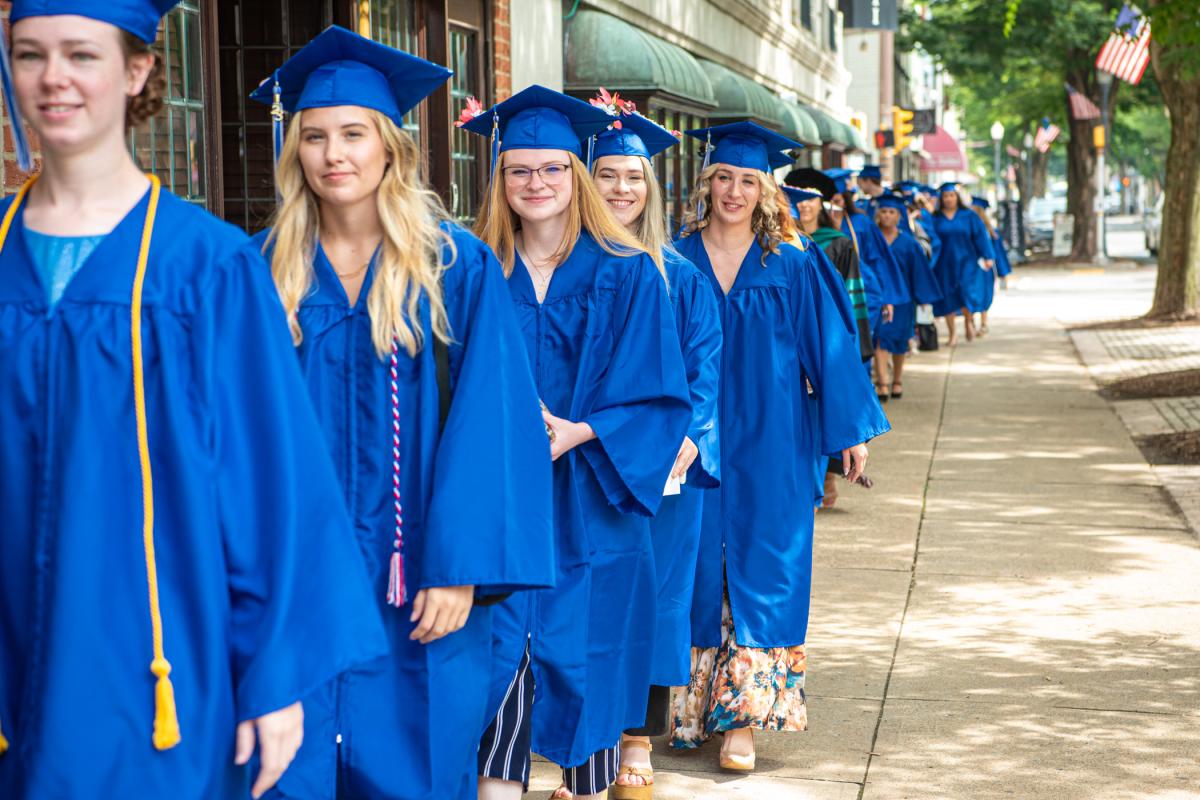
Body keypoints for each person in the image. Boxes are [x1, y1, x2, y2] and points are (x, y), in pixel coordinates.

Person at [0, 5, 389, 799]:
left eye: (81, 53)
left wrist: (276, 673)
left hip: (156, 658)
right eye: (29, 54)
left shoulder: (204, 266)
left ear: (137, 71)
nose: (53, 77)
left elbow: (270, 484)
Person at [248, 27, 556, 800]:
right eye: (313, 136)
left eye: (354, 133)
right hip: (298, 577)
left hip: (416, 574)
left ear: (390, 146)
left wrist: (461, 569)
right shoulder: (259, 270)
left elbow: (493, 424)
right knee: (287, 771)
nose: (333, 154)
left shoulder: (454, 266)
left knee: (413, 765)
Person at [461, 85, 692, 800]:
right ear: (499, 180)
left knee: (586, 671)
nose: (537, 184)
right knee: (497, 675)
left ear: (577, 174)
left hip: (592, 499)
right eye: (519, 171)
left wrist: (580, 432)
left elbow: (661, 392)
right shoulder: (471, 270)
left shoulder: (628, 272)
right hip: (497, 503)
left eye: (553, 169)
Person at [670, 121, 890, 771]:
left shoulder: (792, 262)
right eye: (723, 178)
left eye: (748, 180)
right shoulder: (672, 259)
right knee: (694, 567)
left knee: (768, 567)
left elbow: (831, 347)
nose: (733, 191)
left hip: (774, 436)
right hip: (693, 440)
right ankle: (690, 709)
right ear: (705, 183)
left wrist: (846, 434)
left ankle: (745, 720)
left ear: (766, 190)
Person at [585, 97, 722, 800]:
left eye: (632, 177)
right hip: (583, 462)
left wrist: (689, 442)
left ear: (653, 188)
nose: (620, 190)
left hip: (662, 468)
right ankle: (586, 735)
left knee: (657, 595)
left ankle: (635, 738)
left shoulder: (680, 276)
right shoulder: (570, 269)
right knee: (586, 592)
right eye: (605, 175)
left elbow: (705, 369)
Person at [783, 170, 873, 510]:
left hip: (825, 340)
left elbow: (852, 297)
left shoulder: (836, 242)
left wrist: (851, 347)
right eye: (798, 197)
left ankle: (826, 479)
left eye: (810, 197)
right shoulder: (774, 244)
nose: (804, 205)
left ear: (823, 203)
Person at [872, 194, 942, 399]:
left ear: (899, 216)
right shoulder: (873, 239)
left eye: (891, 212)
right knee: (880, 339)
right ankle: (883, 383)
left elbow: (919, 272)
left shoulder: (908, 243)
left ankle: (897, 380)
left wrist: (924, 298)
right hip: (879, 297)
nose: (886, 216)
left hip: (903, 299)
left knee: (900, 342)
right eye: (883, 211)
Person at [930, 183, 994, 346]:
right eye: (945, 196)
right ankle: (953, 334)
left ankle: (968, 320)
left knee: (967, 293)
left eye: (951, 196)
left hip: (967, 261)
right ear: (941, 199)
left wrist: (988, 256)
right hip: (944, 264)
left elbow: (980, 236)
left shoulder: (969, 216)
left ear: (957, 197)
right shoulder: (935, 218)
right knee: (947, 297)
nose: (949, 199)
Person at [970, 197, 1011, 336]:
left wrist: (1002, 273)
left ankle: (983, 323)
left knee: (985, 295)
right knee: (971, 296)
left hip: (985, 269)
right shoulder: (966, 229)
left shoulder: (991, 232)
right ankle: (971, 323)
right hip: (970, 268)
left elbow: (997, 254)